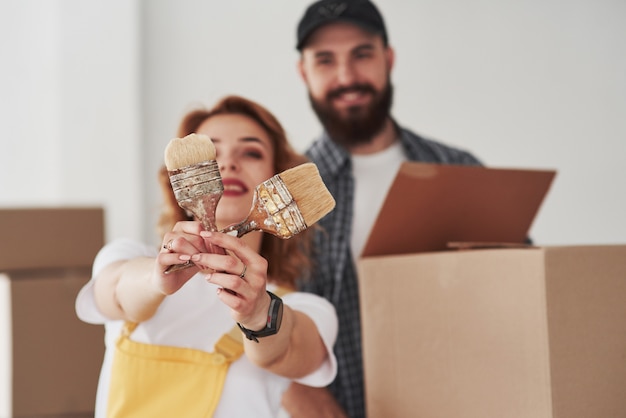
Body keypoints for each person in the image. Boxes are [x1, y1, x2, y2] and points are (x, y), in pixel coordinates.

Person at [75, 95, 338, 418]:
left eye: (252, 152)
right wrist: (156, 278)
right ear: (176, 180)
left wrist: (258, 314)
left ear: (277, 175)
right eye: (213, 153)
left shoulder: (302, 308)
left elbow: (288, 348)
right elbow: (115, 291)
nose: (228, 164)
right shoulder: (130, 257)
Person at [282, 1, 483, 417]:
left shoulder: (460, 170)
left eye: (362, 54)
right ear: (303, 72)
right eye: (325, 60)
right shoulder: (287, 195)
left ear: (388, 59)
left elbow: (520, 291)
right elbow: (263, 319)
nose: (347, 77)